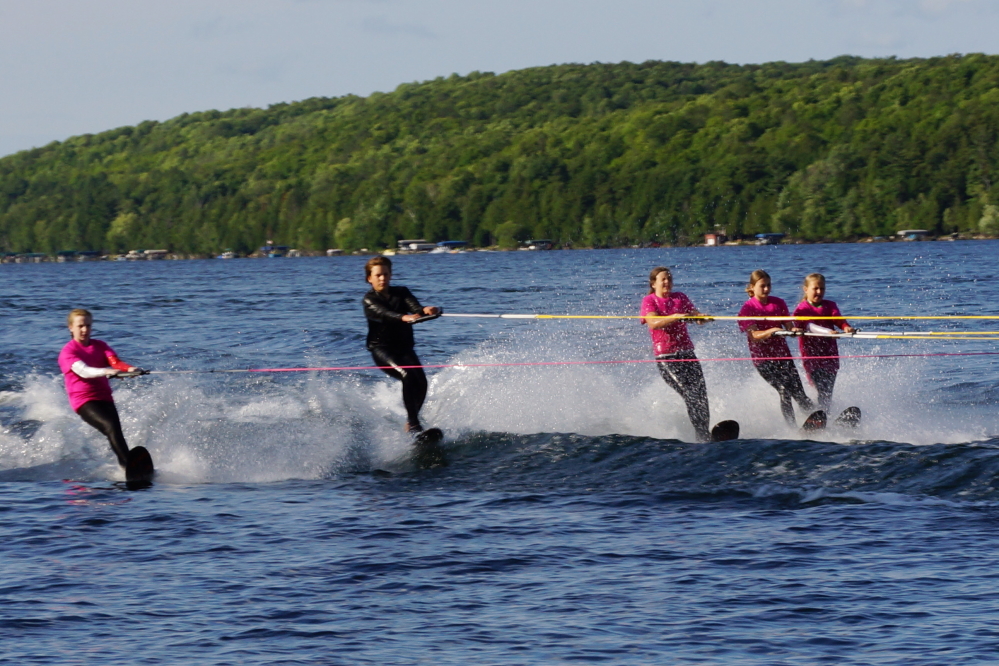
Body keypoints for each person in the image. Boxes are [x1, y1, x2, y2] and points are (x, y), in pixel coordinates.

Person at [362, 256, 440, 434]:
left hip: (404, 347)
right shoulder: (369, 300)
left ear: (390, 275)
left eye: (386, 274)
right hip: (382, 349)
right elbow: (384, 314)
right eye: (378, 275)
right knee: (408, 376)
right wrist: (403, 317)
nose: (382, 278)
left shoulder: (402, 292)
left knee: (422, 382)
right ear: (369, 278)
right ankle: (413, 424)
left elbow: (416, 309)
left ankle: (412, 420)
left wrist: (426, 311)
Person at [58, 309, 143, 468]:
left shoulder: (100, 345)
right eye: (80, 326)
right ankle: (128, 465)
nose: (85, 330)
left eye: (88, 326)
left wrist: (130, 369)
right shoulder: (68, 352)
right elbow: (84, 371)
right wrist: (106, 371)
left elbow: (116, 363)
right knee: (110, 426)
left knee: (116, 431)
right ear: (71, 327)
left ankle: (127, 468)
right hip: (84, 402)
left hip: (104, 397)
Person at [639, 267, 712, 442]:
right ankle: (702, 435)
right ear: (653, 283)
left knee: (701, 394)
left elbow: (695, 316)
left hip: (687, 352)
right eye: (663, 279)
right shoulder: (649, 300)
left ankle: (704, 433)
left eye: (669, 278)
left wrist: (703, 318)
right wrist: (676, 316)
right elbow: (653, 323)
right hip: (665, 357)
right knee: (690, 393)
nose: (667, 282)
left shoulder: (680, 297)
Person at [738, 270, 815, 426]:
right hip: (763, 361)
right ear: (752, 287)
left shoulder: (778, 303)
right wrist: (771, 331)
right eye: (762, 286)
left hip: (783, 357)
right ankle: (792, 428)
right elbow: (754, 336)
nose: (766, 289)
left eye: (769, 285)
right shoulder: (747, 309)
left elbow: (789, 326)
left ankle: (818, 418)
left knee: (800, 394)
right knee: (783, 390)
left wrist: (794, 331)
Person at [792, 273, 855, 412]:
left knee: (827, 392)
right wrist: (827, 332)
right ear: (806, 289)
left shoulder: (830, 305)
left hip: (830, 355)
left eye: (822, 288)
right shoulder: (801, 309)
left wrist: (846, 327)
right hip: (812, 356)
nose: (819, 292)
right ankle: (816, 413)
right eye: (815, 288)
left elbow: (838, 319)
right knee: (821, 388)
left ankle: (824, 414)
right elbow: (809, 326)